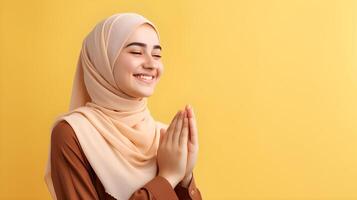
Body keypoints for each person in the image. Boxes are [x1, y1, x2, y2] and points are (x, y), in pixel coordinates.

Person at [43, 12, 202, 200]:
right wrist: (168, 178)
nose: (152, 64)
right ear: (103, 58)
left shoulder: (163, 138)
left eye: (157, 54)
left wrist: (185, 178)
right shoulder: (73, 133)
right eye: (136, 52)